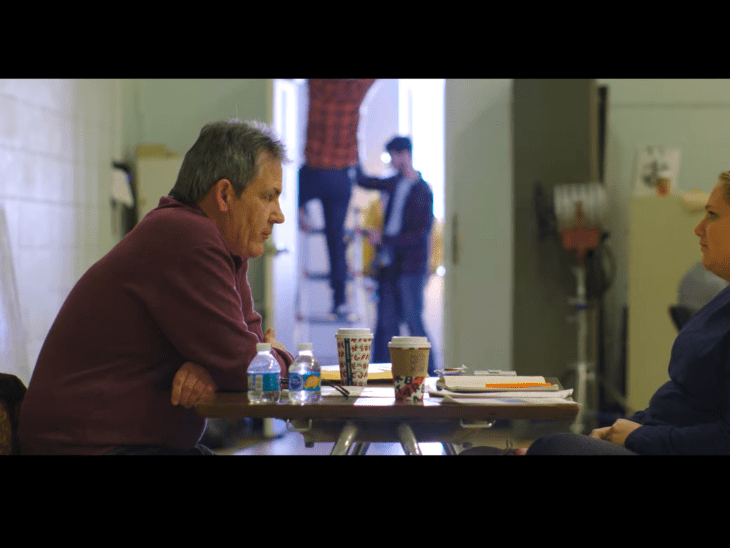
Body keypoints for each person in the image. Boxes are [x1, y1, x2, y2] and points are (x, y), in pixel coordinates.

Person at [17, 119, 294, 455]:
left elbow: (245, 359)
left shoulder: (222, 246)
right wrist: (273, 358)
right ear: (223, 194)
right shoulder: (186, 236)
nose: (278, 216)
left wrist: (218, 366)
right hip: (86, 447)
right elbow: (246, 365)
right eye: (269, 197)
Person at [527, 165, 730, 455]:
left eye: (713, 215)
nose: (699, 228)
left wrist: (638, 436)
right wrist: (623, 430)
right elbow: (689, 404)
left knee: (553, 448)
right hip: (664, 439)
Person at [355, 136, 437, 375]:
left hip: (412, 267)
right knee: (385, 324)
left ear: (405, 155)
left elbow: (419, 235)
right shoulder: (394, 183)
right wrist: (353, 151)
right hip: (389, 265)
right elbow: (366, 181)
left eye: (393, 155)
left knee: (413, 321)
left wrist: (384, 239)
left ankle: (429, 374)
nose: (391, 161)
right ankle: (381, 374)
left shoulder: (422, 191)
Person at [298, 79, 376, 319]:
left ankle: (300, 212)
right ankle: (340, 300)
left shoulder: (319, 83)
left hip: (312, 173)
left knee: (282, 204)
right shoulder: (356, 88)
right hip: (339, 178)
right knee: (335, 238)